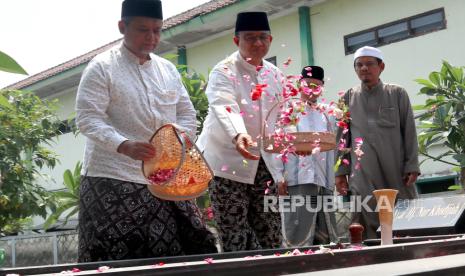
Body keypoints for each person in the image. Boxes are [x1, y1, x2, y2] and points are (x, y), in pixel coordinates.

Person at [75, 0, 217, 262]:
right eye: (143, 30)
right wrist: (123, 144)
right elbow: (87, 118)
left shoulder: (167, 70)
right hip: (113, 178)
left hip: (166, 178)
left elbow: (186, 113)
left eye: (157, 30)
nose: (152, 38)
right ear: (122, 27)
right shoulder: (102, 67)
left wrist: (178, 142)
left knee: (191, 246)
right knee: (119, 257)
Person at [196, 11, 283, 252]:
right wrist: (238, 134)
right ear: (237, 41)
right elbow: (224, 104)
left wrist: (292, 143)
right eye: (250, 37)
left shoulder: (276, 75)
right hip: (227, 163)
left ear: (270, 40)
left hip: (264, 163)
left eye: (262, 37)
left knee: (271, 230)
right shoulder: (223, 71)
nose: (257, 43)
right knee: (234, 232)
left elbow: (282, 116)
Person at [335, 46, 420, 239]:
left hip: (396, 166)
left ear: (381, 67)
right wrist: (340, 173)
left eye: (369, 64)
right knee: (365, 210)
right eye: (359, 65)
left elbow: (409, 131)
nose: (364, 68)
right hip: (363, 169)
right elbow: (341, 138)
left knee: (403, 210)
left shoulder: (398, 93)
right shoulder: (346, 98)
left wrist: (412, 165)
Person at [279, 66, 339, 247]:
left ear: (322, 87)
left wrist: (335, 175)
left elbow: (334, 147)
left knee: (325, 229)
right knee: (297, 225)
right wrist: (278, 175)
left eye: (316, 85)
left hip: (324, 179)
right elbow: (279, 145)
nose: (311, 89)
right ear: (299, 84)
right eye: (307, 85)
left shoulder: (329, 114)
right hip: (297, 179)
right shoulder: (288, 109)